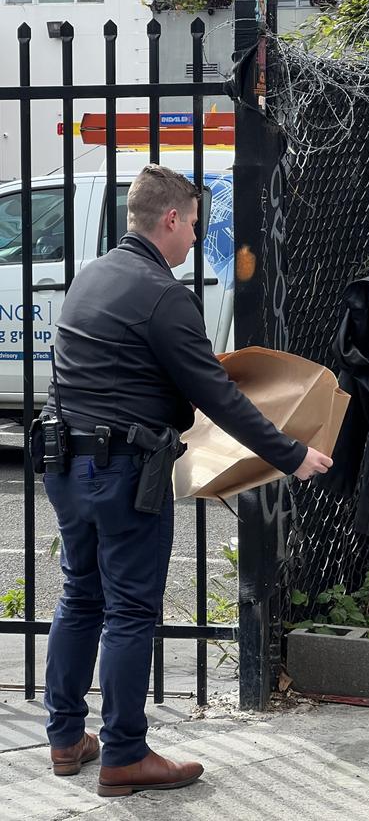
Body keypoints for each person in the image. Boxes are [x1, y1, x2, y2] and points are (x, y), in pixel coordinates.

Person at [38, 164, 332, 797]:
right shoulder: (163, 294)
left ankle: (66, 738)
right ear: (169, 219)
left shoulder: (89, 279)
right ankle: (123, 755)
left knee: (79, 596)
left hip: (67, 465)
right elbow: (218, 396)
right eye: (194, 224)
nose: (196, 237)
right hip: (123, 474)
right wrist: (290, 454)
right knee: (130, 612)